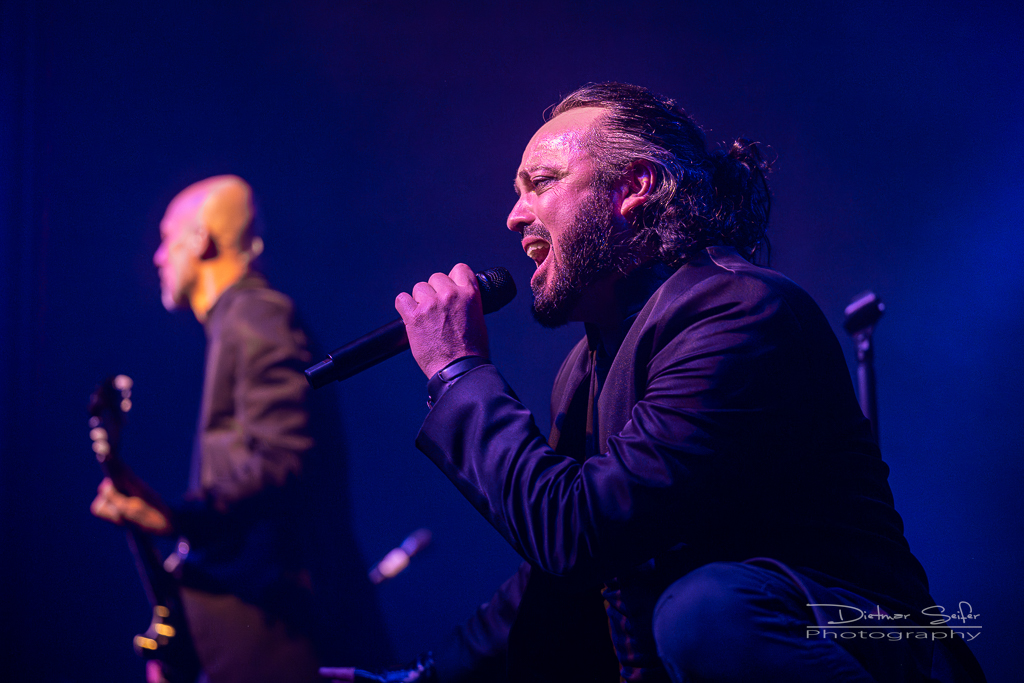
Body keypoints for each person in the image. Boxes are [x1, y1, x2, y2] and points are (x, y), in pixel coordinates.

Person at [382, 83, 985, 682]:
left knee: (707, 613)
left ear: (633, 187)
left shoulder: (738, 310)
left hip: (874, 648)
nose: (515, 216)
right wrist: (419, 678)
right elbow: (552, 580)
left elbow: (581, 530)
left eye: (541, 183)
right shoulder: (585, 367)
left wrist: (458, 371)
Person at [91, 175, 323, 683]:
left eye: (167, 238)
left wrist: (179, 517)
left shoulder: (258, 314)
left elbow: (285, 457)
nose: (158, 257)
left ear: (201, 240)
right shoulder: (236, 322)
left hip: (274, 637)